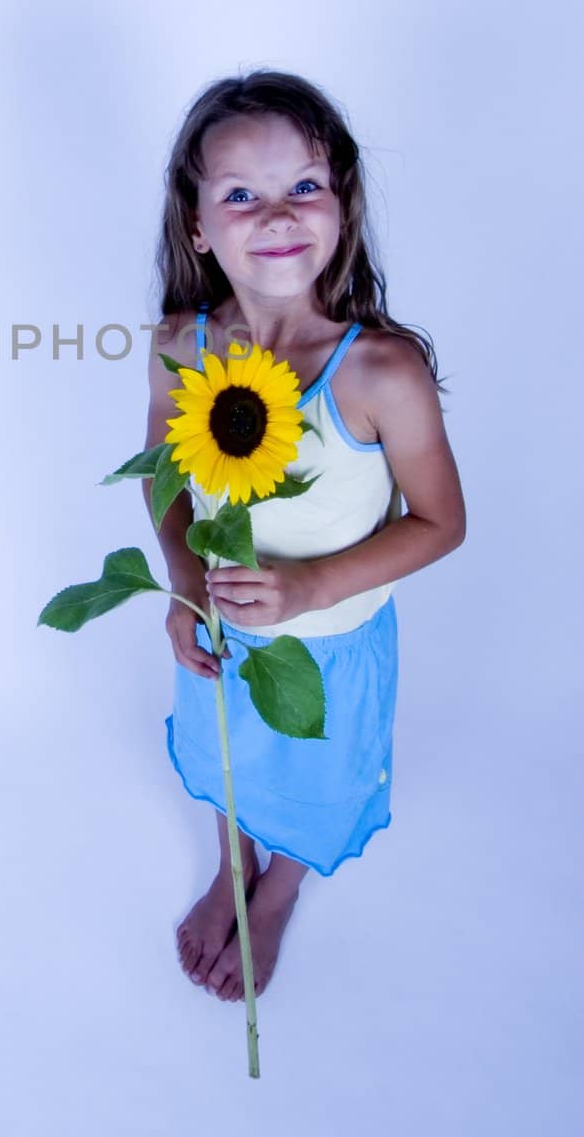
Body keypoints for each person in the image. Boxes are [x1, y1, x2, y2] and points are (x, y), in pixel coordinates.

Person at [142, 69, 465, 1004]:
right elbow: (165, 481)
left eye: (303, 187)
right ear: (198, 225)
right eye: (241, 193)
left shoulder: (376, 371)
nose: (276, 212)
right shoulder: (182, 347)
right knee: (227, 753)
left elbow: (441, 521)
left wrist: (311, 587)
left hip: (326, 645)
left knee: (315, 774)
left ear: (341, 206)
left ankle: (277, 889)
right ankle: (233, 868)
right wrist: (178, 578)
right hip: (221, 634)